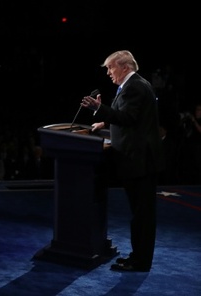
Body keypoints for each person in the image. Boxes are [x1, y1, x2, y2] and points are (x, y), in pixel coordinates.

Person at [81, 50, 165, 272]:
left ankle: (140, 261)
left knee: (142, 216)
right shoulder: (133, 85)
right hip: (139, 160)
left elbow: (128, 118)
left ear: (125, 67)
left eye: (111, 67)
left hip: (140, 162)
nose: (108, 72)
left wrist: (99, 109)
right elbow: (132, 124)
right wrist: (106, 125)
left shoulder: (134, 86)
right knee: (140, 215)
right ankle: (138, 257)